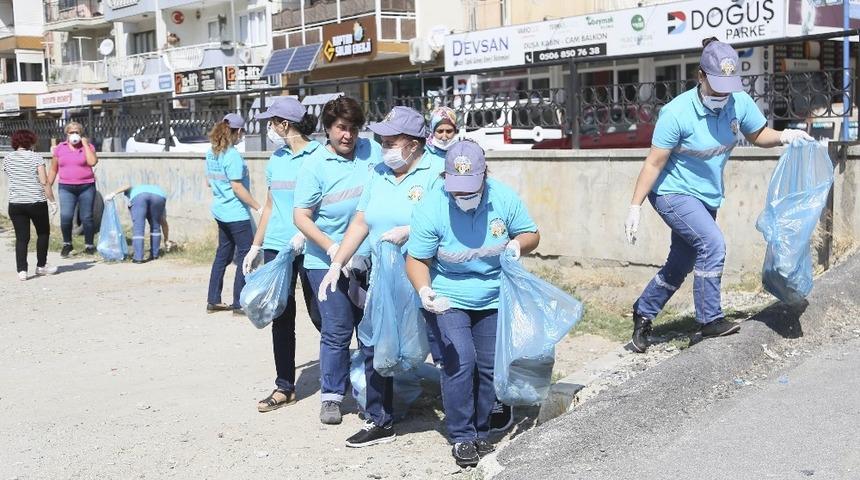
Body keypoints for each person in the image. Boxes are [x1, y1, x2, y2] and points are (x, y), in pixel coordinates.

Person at [623, 38, 815, 353]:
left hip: (707, 195)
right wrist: (635, 206)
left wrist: (785, 135)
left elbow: (757, 134)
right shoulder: (676, 113)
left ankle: (643, 312)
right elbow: (654, 163)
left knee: (681, 262)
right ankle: (709, 320)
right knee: (712, 243)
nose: (722, 94)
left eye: (728, 87)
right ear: (700, 76)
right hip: (673, 192)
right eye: (716, 86)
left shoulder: (738, 103)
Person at [405, 140, 540, 467]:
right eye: (457, 188)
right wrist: (424, 291)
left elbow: (531, 234)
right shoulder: (431, 207)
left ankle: (481, 430)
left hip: (493, 295)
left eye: (470, 187)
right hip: (448, 295)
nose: (463, 194)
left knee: (490, 365)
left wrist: (517, 245)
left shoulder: (503, 197)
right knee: (460, 361)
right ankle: (462, 435)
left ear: (484, 176)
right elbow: (417, 259)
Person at [317, 106, 444, 447]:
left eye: (391, 141)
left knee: (443, 346)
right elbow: (361, 221)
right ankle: (380, 419)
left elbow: (447, 218)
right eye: (383, 140)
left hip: (427, 275)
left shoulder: (436, 171)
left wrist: (413, 229)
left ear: (414, 144)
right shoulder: (379, 172)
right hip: (384, 278)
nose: (384, 146)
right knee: (376, 345)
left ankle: (466, 417)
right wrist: (337, 262)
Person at [293, 96, 381, 425]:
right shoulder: (315, 165)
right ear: (328, 129)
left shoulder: (372, 151)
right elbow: (301, 216)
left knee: (371, 328)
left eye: (354, 129)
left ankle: (371, 393)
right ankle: (331, 395)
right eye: (342, 128)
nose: (348, 135)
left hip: (369, 257)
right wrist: (332, 249)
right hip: (324, 261)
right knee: (338, 327)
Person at [241, 97, 323, 412]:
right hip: (277, 246)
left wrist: (306, 232)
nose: (270, 128)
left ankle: (341, 376)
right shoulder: (276, 159)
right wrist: (256, 245)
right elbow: (270, 205)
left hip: (310, 243)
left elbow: (324, 204)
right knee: (281, 315)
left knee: (321, 314)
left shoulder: (318, 156)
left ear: (284, 124)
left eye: (272, 122)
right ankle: (284, 386)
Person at [205, 113, 263, 315]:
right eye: (242, 132)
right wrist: (258, 207)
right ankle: (239, 303)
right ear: (237, 131)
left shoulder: (211, 153)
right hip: (236, 214)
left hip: (220, 211)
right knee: (246, 255)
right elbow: (237, 188)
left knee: (223, 255)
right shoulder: (232, 156)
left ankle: (213, 300)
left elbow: (208, 181)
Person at [3, 129, 58, 280]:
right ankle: (41, 266)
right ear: (31, 141)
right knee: (43, 233)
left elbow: (11, 175)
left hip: (16, 203)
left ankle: (22, 271)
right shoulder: (36, 157)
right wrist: (52, 200)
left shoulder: (7, 158)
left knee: (22, 237)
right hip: (36, 202)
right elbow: (44, 181)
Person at [48, 121, 98, 257]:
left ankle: (89, 245)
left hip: (86, 186)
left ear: (81, 134)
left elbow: (92, 162)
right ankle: (67, 244)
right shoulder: (60, 148)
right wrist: (47, 185)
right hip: (66, 188)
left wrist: (85, 144)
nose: (74, 134)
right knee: (66, 216)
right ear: (67, 134)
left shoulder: (88, 147)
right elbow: (53, 169)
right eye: (71, 132)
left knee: (87, 217)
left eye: (77, 132)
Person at [104, 184, 169, 263]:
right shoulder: (155, 191)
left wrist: (113, 194)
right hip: (159, 197)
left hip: (140, 197)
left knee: (138, 227)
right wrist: (166, 239)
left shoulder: (134, 190)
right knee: (156, 226)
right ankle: (155, 255)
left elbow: (127, 185)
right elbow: (163, 222)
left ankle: (138, 258)